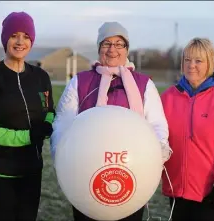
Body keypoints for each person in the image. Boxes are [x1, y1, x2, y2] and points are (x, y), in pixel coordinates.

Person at [50, 21, 172, 221]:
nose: (112, 49)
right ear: (99, 48)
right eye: (107, 43)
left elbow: (157, 125)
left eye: (119, 44)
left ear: (126, 49)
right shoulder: (81, 82)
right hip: (86, 176)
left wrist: (155, 159)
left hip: (133, 176)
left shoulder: (143, 84)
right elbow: (63, 124)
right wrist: (63, 159)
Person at [161, 37, 214, 221]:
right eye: (187, 60)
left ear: (209, 63)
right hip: (176, 191)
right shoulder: (168, 98)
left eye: (198, 61)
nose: (191, 65)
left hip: (209, 194)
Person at [0, 12, 54, 220]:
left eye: (26, 36)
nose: (20, 42)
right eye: (14, 35)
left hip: (31, 171)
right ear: (5, 39)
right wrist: (27, 136)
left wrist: (47, 125)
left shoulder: (41, 77)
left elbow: (49, 110)